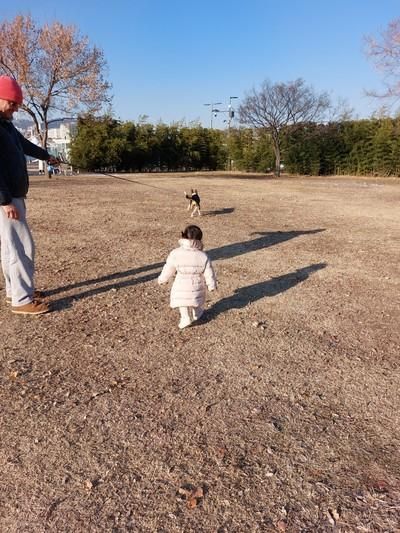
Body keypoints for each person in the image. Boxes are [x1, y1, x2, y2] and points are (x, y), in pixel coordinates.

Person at [0, 75, 59, 315]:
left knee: (9, 246)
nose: (15, 108)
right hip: (7, 197)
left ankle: (15, 292)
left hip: (11, 195)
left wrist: (46, 156)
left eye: (17, 104)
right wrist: (4, 201)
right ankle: (23, 300)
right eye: (11, 102)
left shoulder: (6, 124)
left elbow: (23, 145)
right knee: (22, 247)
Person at [158, 225, 217, 329]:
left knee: (182, 300)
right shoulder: (203, 255)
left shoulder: (176, 253)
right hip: (197, 282)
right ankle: (197, 313)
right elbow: (209, 272)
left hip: (181, 282)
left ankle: (185, 317)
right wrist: (211, 285)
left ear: (184, 236)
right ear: (200, 238)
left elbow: (169, 268)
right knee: (196, 298)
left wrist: (163, 279)